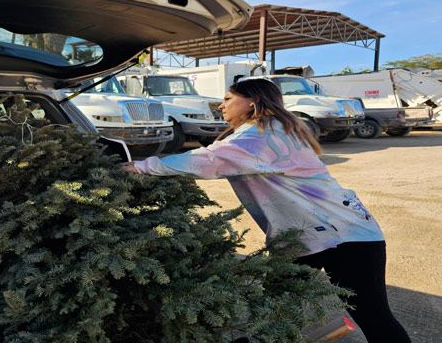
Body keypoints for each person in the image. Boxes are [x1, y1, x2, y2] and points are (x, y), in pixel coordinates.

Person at [120, 78, 410, 343]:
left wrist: (139, 166)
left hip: (345, 238)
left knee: (374, 319)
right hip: (307, 237)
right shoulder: (272, 129)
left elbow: (209, 160)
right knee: (271, 311)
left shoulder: (262, 135)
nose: (220, 105)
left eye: (228, 98)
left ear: (252, 101)